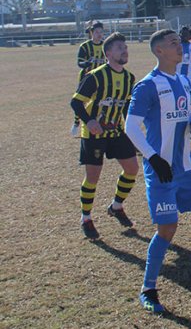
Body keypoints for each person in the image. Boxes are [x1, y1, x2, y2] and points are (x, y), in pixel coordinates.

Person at [125, 29, 191, 314]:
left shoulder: (184, 80)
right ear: (159, 51)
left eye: (178, 42)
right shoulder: (147, 86)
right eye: (172, 43)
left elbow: (187, 112)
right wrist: (153, 158)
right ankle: (148, 288)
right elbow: (131, 127)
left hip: (186, 165)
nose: (179, 46)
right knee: (167, 228)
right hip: (162, 171)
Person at [70, 32, 139, 239]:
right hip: (94, 134)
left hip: (116, 131)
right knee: (93, 176)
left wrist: (132, 128)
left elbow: (126, 106)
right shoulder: (96, 76)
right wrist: (89, 121)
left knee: (132, 168)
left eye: (125, 47)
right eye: (120, 48)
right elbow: (76, 102)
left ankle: (116, 206)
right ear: (108, 53)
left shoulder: (129, 78)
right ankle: (86, 218)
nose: (124, 51)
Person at [71, 21, 107, 137]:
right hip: (87, 77)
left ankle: (101, 122)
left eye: (101, 32)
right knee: (80, 101)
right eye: (96, 32)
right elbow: (79, 62)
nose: (99, 34)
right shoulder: (85, 46)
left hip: (101, 78)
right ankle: (77, 123)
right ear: (91, 33)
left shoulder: (105, 45)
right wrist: (87, 63)